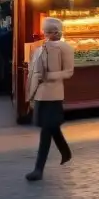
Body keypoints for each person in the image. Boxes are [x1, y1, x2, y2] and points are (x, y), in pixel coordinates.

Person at [25, 17, 74, 181]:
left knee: (46, 130)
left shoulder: (65, 48)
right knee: (50, 126)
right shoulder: (39, 48)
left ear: (55, 31)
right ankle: (65, 151)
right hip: (40, 94)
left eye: (48, 30)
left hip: (53, 94)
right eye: (44, 30)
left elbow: (68, 71)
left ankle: (38, 169)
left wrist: (49, 76)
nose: (45, 33)